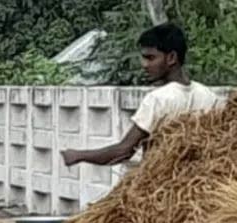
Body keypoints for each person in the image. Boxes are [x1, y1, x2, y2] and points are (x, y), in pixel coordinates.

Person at [62, 23, 221, 167]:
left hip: (161, 189)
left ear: (171, 58)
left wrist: (78, 155)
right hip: (198, 187)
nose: (144, 65)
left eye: (150, 58)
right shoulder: (210, 97)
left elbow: (123, 151)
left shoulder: (158, 100)